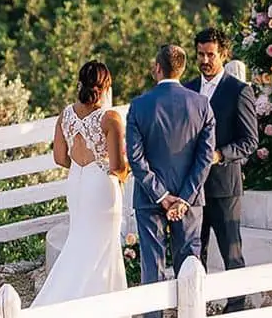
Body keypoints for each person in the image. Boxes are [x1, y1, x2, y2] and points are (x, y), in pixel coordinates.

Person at [126, 43, 215, 315]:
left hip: (149, 198)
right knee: (189, 263)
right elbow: (205, 158)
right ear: (183, 69)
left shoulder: (139, 106)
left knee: (152, 265)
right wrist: (184, 198)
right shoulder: (202, 104)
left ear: (157, 68)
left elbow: (136, 159)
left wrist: (162, 196)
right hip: (190, 199)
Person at [33, 61, 129, 305]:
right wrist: (126, 169)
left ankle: (64, 300)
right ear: (106, 86)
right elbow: (118, 166)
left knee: (78, 241)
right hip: (101, 186)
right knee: (103, 248)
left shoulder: (65, 115)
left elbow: (59, 158)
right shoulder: (110, 118)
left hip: (76, 182)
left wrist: (80, 167)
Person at [184, 28, 259, 309]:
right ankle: (195, 308)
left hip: (225, 186)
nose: (204, 60)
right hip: (191, 188)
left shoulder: (239, 91)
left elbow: (250, 141)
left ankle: (237, 308)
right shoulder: (187, 89)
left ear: (224, 54)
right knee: (193, 254)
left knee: (232, 253)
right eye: (200, 54)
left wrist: (220, 155)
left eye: (210, 55)